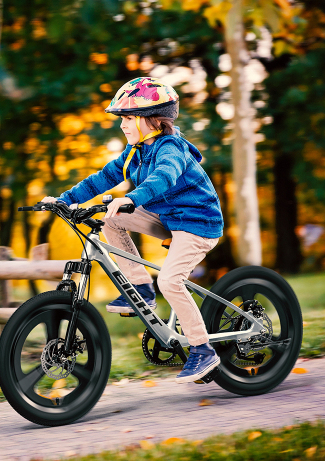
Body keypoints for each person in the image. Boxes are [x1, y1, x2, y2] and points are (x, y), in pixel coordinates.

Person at [42, 77, 224, 384]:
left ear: (153, 120)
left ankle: (203, 350)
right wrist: (64, 200)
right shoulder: (135, 152)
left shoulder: (172, 148)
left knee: (171, 280)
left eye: (128, 118)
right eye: (122, 120)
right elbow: (101, 179)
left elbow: (163, 178)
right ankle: (141, 288)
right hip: (168, 218)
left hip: (197, 223)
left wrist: (131, 198)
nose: (123, 125)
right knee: (110, 219)